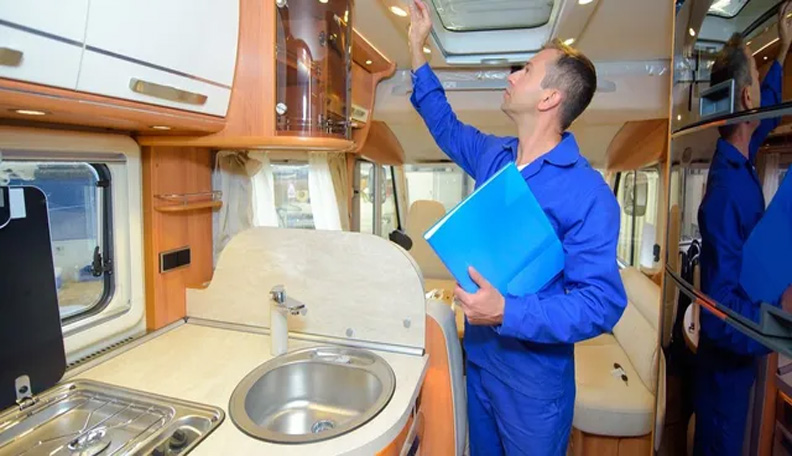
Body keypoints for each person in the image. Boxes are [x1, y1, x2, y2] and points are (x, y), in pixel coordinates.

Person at [407, 0, 626, 454]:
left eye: (524, 71)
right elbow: (444, 125)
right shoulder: (495, 158)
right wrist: (416, 48)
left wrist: (508, 311)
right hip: (482, 364)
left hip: (534, 387)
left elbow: (601, 303)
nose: (511, 77)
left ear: (549, 99)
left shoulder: (588, 193)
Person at [695, 1, 792, 455]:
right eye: (756, 79)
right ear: (746, 99)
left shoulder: (740, 155)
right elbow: (721, 315)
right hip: (724, 376)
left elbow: (768, 113)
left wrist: (782, 52)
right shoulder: (728, 192)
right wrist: (780, 324)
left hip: (735, 364)